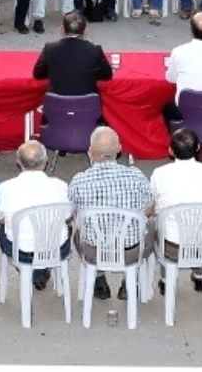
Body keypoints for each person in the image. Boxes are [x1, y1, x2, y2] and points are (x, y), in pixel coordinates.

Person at [68, 127, 152, 300]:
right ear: (119, 149)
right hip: (130, 251)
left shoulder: (79, 180)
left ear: (90, 151)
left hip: (94, 251)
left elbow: (70, 213)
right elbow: (149, 207)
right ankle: (130, 282)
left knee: (75, 230)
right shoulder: (136, 176)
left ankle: (98, 280)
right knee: (152, 226)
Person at [150, 128, 202, 290]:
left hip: (172, 248)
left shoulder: (159, 173)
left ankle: (165, 279)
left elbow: (155, 206)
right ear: (198, 147)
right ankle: (200, 274)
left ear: (170, 150)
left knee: (158, 228)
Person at [0, 141, 72, 291]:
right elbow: (67, 217)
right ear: (45, 161)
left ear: (18, 162)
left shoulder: (5, 188)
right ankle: (40, 272)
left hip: (21, 252)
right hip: (56, 248)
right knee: (66, 227)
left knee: (2, 227)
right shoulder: (61, 186)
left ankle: (36, 273)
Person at [32, 11, 113, 97]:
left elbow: (38, 74)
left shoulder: (50, 49)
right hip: (87, 106)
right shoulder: (94, 50)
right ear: (86, 30)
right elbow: (107, 75)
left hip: (56, 106)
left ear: (62, 29)